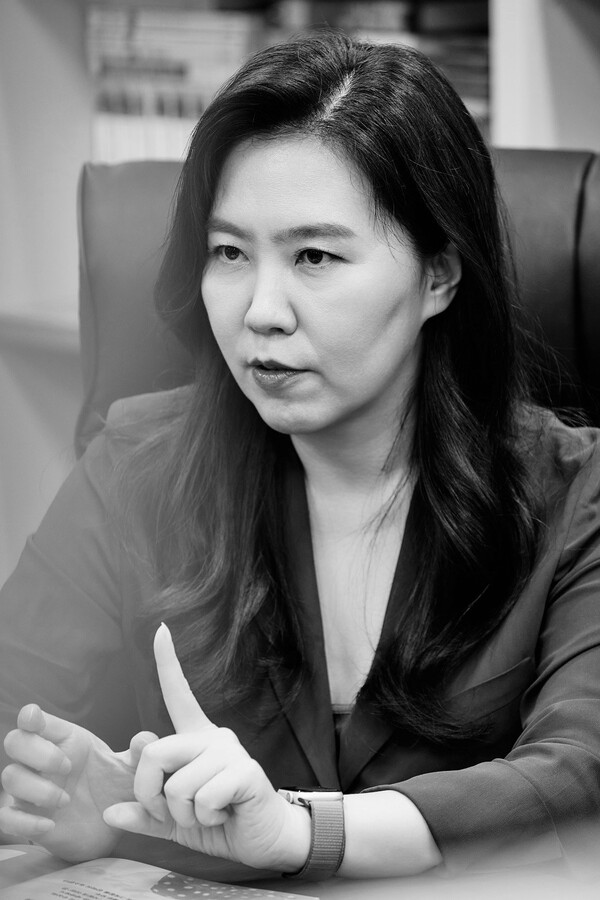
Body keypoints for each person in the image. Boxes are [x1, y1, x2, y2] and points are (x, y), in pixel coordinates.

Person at [1, 30, 600, 884]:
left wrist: (298, 831)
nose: (261, 311)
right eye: (229, 253)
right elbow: (14, 709)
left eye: (314, 256)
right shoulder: (137, 464)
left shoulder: (575, 494)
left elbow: (579, 778)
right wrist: (91, 800)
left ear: (439, 275)